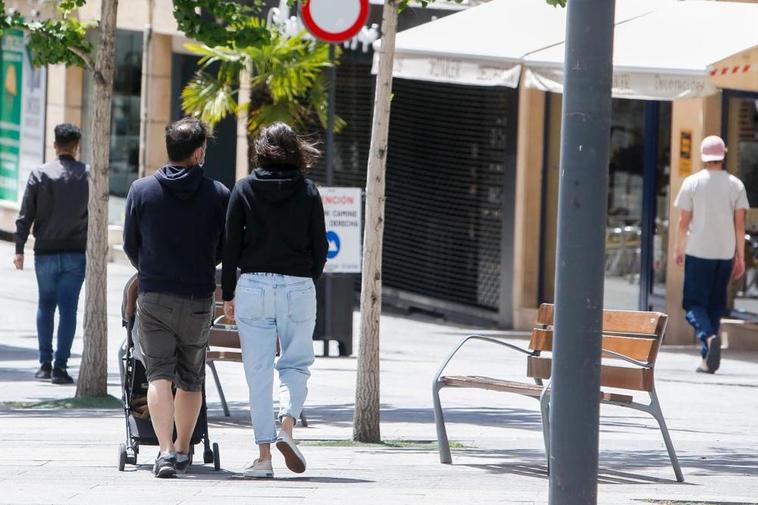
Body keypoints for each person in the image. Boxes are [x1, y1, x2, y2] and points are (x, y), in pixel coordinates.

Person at [123, 117, 230, 478]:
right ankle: (184, 449)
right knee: (190, 377)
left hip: (154, 296)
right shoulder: (218, 194)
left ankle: (164, 451)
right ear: (199, 152)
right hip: (198, 296)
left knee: (158, 376)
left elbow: (129, 244)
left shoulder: (141, 190)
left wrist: (151, 268)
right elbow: (224, 248)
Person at [222, 122, 328, 479]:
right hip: (298, 285)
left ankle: (264, 456)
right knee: (296, 364)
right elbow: (321, 247)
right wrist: (305, 279)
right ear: (294, 149)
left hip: (253, 285)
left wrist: (228, 293)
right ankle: (287, 427)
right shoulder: (309, 191)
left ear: (261, 149)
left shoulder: (244, 188)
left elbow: (230, 246)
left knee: (258, 374)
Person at [14, 123, 87, 385]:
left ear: (55, 145)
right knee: (68, 310)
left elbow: (25, 214)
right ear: (77, 146)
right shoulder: (87, 175)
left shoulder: (40, 174)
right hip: (76, 252)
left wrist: (19, 248)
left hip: (45, 251)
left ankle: (44, 364)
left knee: (46, 304)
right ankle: (61, 367)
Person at [674, 135, 749, 374]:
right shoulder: (736, 185)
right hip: (724, 253)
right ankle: (707, 361)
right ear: (723, 154)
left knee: (694, 304)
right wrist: (740, 257)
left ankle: (707, 337)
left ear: (703, 156)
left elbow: (683, 222)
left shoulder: (692, 183)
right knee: (716, 305)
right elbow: (740, 225)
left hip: (698, 252)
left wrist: (678, 248)